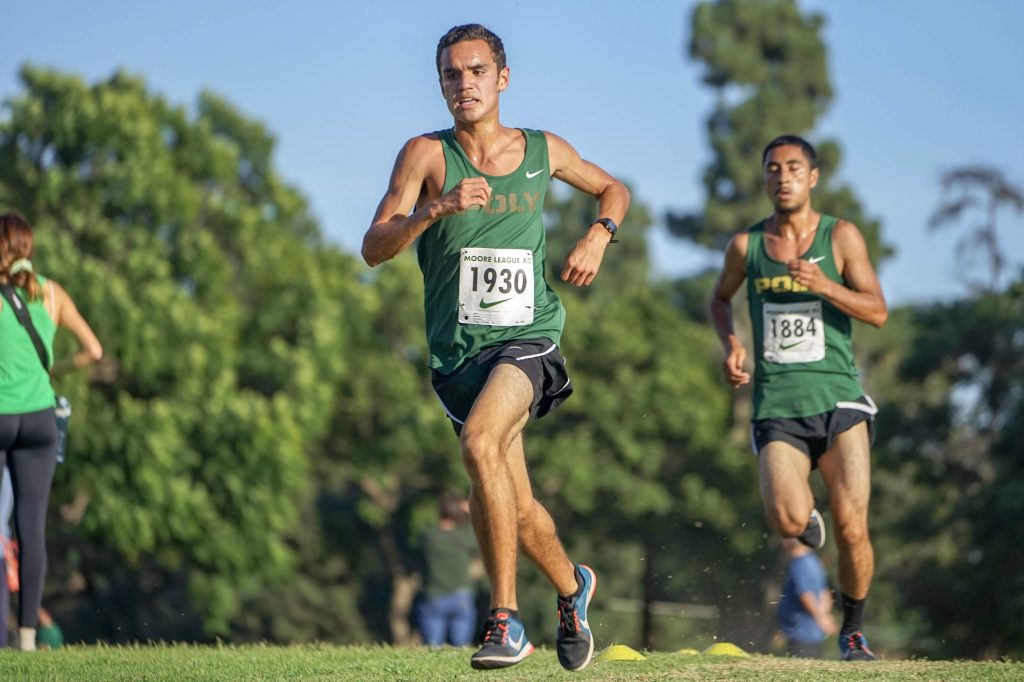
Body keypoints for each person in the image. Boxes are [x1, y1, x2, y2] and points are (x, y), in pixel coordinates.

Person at [362, 24, 629, 671]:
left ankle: (505, 620)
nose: (465, 84)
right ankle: (572, 586)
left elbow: (612, 188)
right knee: (517, 506)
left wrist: (599, 234)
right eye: (452, 74)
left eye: (477, 71)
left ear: (502, 78)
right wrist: (436, 209)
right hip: (458, 358)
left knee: (479, 444)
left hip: (527, 337)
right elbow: (373, 247)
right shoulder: (425, 155)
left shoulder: (541, 150)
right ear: (441, 85)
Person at [708, 135, 886, 661]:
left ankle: (852, 631)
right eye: (772, 169)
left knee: (852, 526)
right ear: (765, 178)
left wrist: (825, 285)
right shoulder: (747, 247)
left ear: (812, 178)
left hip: (839, 401)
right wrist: (732, 344)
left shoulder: (840, 236)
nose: (782, 177)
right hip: (777, 405)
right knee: (787, 524)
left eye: (792, 168)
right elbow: (720, 299)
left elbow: (878, 311)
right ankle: (805, 518)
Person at [0, 211, 103, 651]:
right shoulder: (52, 293)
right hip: (41, 420)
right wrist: (55, 371)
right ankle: (27, 638)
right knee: (31, 529)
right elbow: (93, 350)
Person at [415, 491, 480, 648]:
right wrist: (469, 512)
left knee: (432, 647)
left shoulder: (428, 536)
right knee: (462, 646)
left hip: (434, 594)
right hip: (461, 595)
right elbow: (481, 530)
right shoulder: (466, 535)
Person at [778, 537, 836, 658]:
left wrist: (820, 619)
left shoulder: (801, 564)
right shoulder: (813, 561)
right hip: (812, 634)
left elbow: (806, 595)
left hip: (802, 634)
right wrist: (824, 616)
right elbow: (825, 593)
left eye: (787, 536)